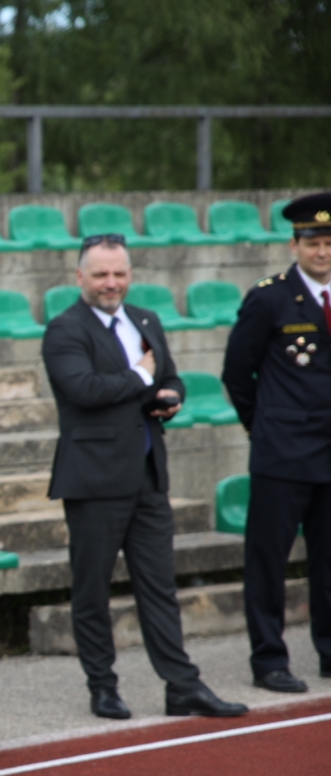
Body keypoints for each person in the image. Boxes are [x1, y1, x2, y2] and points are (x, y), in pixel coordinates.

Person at [43, 235, 247, 721]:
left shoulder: (146, 321)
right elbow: (84, 389)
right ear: (80, 278)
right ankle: (103, 686)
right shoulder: (63, 329)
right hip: (94, 483)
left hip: (148, 478)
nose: (111, 283)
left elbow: (169, 376)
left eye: (119, 274)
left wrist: (169, 396)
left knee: (159, 587)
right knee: (91, 589)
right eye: (100, 275)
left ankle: (182, 685)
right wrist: (140, 378)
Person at [221, 192, 331, 693]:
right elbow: (236, 373)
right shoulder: (269, 297)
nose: (323, 252)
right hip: (282, 453)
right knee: (268, 560)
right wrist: (261, 424)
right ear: (295, 244)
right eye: (313, 242)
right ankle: (269, 660)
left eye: (330, 242)